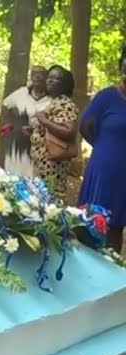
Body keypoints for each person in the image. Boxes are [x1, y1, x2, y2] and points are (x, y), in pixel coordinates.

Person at [78, 45, 126, 252]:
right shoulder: (107, 96)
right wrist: (103, 147)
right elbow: (86, 126)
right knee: (93, 220)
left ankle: (114, 273)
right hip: (104, 168)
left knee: (116, 225)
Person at [30, 65, 79, 206]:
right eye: (49, 77)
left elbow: (69, 131)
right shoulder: (53, 102)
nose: (50, 81)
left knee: (50, 203)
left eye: (56, 78)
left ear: (65, 84)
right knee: (41, 201)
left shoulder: (66, 104)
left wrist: (44, 121)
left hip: (53, 166)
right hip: (42, 164)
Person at [0, 66, 50, 175]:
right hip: (17, 146)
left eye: (40, 75)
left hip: (41, 148)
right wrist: (11, 125)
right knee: (15, 177)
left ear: (46, 78)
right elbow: (5, 106)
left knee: (35, 180)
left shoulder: (51, 99)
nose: (37, 77)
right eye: (34, 74)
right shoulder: (21, 93)